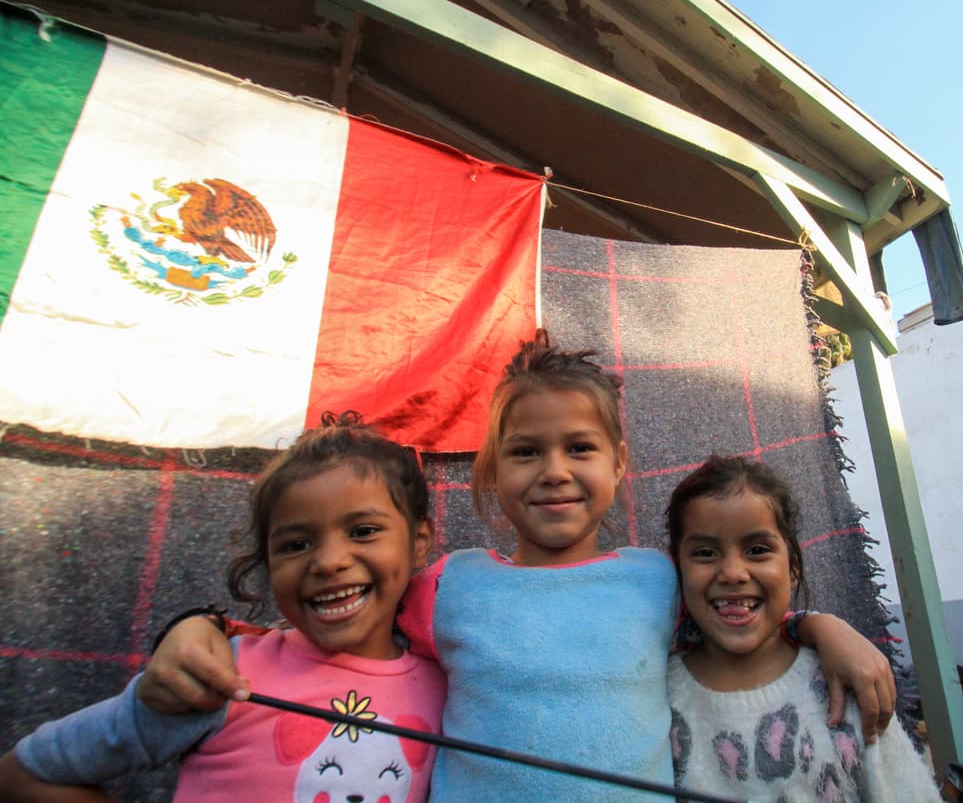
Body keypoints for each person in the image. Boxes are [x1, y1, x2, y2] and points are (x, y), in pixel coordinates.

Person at [137, 333, 896, 801]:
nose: (554, 470)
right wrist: (202, 627)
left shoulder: (656, 580)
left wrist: (821, 625)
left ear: (619, 464)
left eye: (579, 447)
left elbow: (735, 611)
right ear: (492, 471)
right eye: (527, 451)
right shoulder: (447, 587)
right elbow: (330, 617)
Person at [0, 417, 445, 803]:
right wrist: (200, 626)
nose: (328, 561)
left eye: (363, 530)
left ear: (419, 542)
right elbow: (23, 777)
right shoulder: (214, 675)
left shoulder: (453, 686)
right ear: (268, 564)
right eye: (295, 544)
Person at [664, 455, 940, 801]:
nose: (733, 572)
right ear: (677, 569)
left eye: (757, 550)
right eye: (705, 553)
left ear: (793, 567)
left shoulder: (840, 685)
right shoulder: (657, 700)